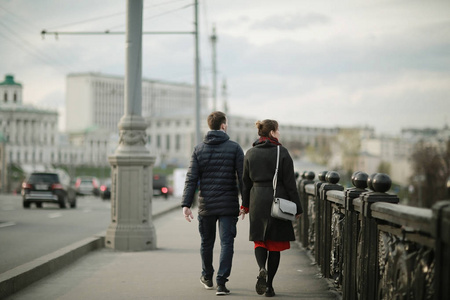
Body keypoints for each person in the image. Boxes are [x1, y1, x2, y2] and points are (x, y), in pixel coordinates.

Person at [181, 111, 244, 296]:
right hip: (228, 205)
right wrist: (245, 203)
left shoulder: (198, 149)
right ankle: (221, 282)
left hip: (206, 205)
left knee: (206, 243)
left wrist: (186, 204)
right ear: (223, 126)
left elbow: (191, 178)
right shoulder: (234, 148)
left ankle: (207, 277)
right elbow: (243, 179)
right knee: (227, 244)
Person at [240, 119, 302, 297]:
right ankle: (269, 287)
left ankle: (261, 268)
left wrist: (244, 205)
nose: (279, 133)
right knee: (275, 244)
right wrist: (297, 207)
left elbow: (245, 183)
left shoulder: (250, 153)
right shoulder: (281, 152)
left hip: (257, 199)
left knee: (260, 240)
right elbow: (291, 183)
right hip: (278, 200)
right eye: (278, 130)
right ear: (272, 133)